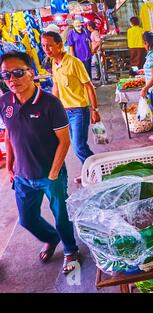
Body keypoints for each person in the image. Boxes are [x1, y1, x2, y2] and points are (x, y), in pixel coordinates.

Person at [0, 51, 80, 274]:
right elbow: (9, 134)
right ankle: (51, 238)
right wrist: (9, 165)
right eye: (6, 75)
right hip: (22, 176)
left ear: (32, 73)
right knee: (27, 219)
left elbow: (64, 141)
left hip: (50, 175)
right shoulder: (5, 102)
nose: (12, 80)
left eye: (18, 73)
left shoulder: (50, 104)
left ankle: (70, 250)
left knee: (61, 216)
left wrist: (54, 173)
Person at [41, 31, 100, 184]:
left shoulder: (74, 62)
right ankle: (91, 171)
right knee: (78, 146)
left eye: (49, 45)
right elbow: (56, 86)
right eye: (43, 46)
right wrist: (52, 108)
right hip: (64, 111)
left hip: (79, 111)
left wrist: (94, 109)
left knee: (78, 146)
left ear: (59, 45)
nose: (46, 49)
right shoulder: (54, 64)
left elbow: (89, 86)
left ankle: (97, 171)